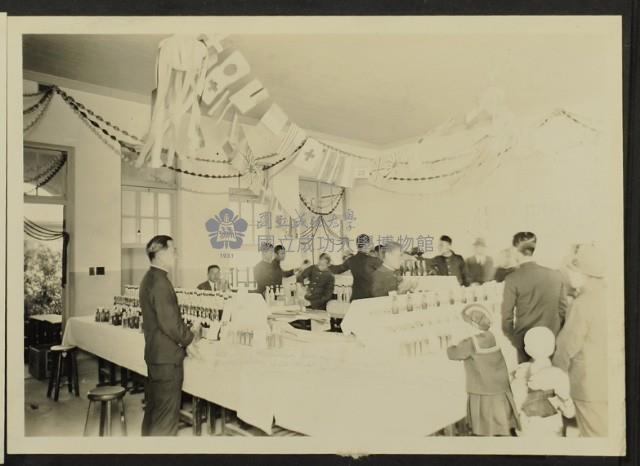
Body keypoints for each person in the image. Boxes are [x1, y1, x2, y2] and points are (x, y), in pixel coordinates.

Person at [140, 235, 199, 436]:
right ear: (160, 253)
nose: (177, 254)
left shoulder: (150, 278)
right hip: (167, 359)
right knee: (165, 417)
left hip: (156, 356)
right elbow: (170, 323)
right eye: (173, 250)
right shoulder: (160, 282)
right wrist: (190, 338)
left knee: (154, 410)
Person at [552, 243, 607, 437]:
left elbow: (566, 346)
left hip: (588, 385)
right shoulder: (609, 296)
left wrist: (554, 374)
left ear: (587, 275)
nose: (570, 275)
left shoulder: (582, 303)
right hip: (608, 382)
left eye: (573, 271)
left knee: (594, 439)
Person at [447, 304, 520, 436]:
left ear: (470, 325)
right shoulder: (492, 337)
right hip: (500, 388)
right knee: (501, 419)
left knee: (485, 422)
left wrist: (450, 345)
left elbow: (453, 354)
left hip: (482, 389)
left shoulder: (470, 343)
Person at [501, 232, 568, 363]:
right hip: (551, 338)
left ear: (515, 250)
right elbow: (563, 310)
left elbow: (506, 317)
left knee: (527, 379)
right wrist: (556, 333)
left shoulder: (512, 278)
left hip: (525, 341)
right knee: (550, 377)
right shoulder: (556, 275)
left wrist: (515, 340)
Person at [511, 327, 575, 437]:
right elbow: (570, 413)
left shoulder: (519, 375)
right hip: (552, 429)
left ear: (527, 350)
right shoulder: (559, 376)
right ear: (554, 348)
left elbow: (513, 409)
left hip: (527, 430)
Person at [329, 233, 382, 301]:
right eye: (370, 244)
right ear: (366, 245)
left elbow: (337, 269)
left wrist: (326, 265)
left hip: (356, 298)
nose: (372, 246)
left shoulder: (351, 260)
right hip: (370, 298)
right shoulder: (374, 260)